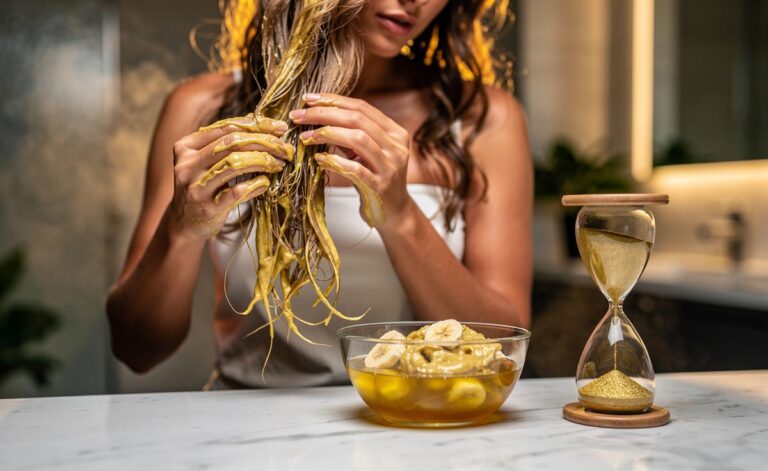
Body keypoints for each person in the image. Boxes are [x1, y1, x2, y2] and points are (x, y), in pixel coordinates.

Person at [106, 0, 532, 388]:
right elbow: (136, 349)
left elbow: (503, 347)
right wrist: (179, 230)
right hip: (247, 438)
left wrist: (400, 216)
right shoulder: (200, 108)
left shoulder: (483, 120)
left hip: (416, 423)